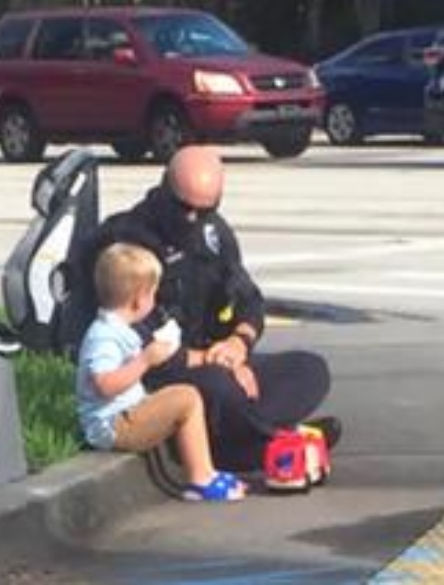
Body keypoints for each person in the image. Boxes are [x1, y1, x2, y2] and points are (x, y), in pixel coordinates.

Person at [85, 145, 337, 473]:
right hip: (167, 373)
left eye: (204, 210)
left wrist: (238, 345)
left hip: (221, 358)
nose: (192, 219)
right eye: (184, 208)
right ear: (165, 188)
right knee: (220, 389)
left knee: (309, 370)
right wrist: (211, 363)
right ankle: (268, 444)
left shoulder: (213, 233)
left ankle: (241, 437)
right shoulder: (129, 244)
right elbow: (143, 347)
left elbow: (248, 301)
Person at [76, 242, 247, 502]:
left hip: (123, 413)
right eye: (153, 294)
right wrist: (146, 360)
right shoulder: (105, 336)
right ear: (138, 299)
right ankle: (200, 478)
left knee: (182, 395)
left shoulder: (118, 329)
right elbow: (105, 384)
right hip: (113, 425)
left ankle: (206, 470)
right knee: (186, 398)